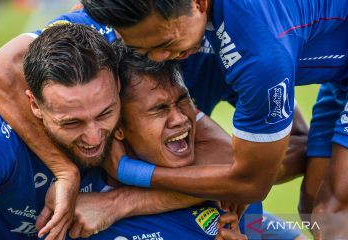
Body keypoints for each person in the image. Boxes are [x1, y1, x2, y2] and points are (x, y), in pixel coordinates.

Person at [0, 5, 310, 238]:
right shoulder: (2, 136)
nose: (92, 136)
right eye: (71, 122)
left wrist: (117, 200)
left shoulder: (241, 49)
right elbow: (1, 68)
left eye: (104, 115)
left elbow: (243, 175)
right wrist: (65, 170)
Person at [79, 0, 348, 236]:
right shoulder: (124, 11)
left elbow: (250, 185)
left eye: (165, 43)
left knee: (333, 212)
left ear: (198, 3)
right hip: (338, 77)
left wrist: (127, 175)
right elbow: (37, 44)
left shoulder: (257, 55)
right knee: (314, 208)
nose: (159, 58)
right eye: (142, 49)